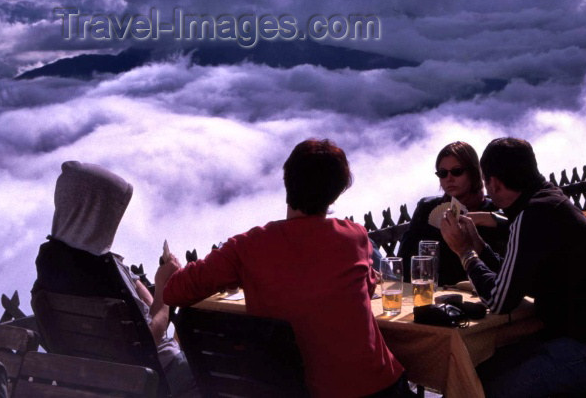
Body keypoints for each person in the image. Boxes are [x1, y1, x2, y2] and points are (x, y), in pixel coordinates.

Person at [163, 139, 411, 398]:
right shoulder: (354, 237)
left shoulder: (248, 247)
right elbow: (365, 288)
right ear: (336, 193)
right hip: (377, 388)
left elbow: (173, 294)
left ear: (287, 182)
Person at [440, 138, 586, 397]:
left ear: (495, 183)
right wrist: (478, 246)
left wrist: (464, 252)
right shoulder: (548, 202)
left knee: (485, 389)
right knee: (478, 372)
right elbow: (512, 279)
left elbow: (499, 300)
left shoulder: (534, 216)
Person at [31, 161, 197, 397]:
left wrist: (139, 281)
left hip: (98, 382)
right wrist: (164, 286)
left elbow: (144, 312)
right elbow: (152, 336)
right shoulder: (104, 273)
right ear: (97, 212)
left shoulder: (50, 264)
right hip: (155, 377)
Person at [399, 141, 507, 286]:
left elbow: (504, 269)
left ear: (474, 172)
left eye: (457, 171)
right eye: (442, 173)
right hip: (432, 292)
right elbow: (404, 259)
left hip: (480, 294)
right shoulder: (427, 207)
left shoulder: (494, 213)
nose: (449, 179)